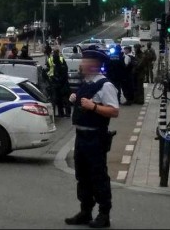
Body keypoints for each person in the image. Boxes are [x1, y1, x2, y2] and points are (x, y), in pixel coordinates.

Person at [65, 49, 119, 228]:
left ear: (94, 65)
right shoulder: (86, 83)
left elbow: (114, 111)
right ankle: (85, 211)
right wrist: (75, 99)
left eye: (84, 61)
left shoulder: (105, 85)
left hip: (95, 136)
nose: (81, 64)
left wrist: (93, 106)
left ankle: (104, 214)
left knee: (98, 175)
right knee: (82, 175)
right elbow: (83, 105)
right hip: (81, 136)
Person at [50, 48, 71, 118]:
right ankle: (60, 113)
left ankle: (67, 113)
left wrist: (58, 80)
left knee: (65, 99)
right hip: (58, 85)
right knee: (59, 100)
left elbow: (64, 76)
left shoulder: (62, 65)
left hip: (63, 85)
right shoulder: (56, 65)